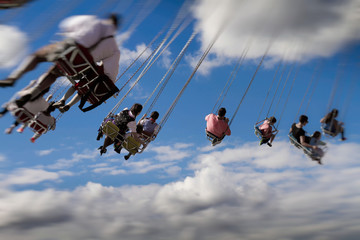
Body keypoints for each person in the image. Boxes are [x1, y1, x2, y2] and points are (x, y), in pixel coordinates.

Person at [1, 14, 121, 112]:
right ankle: (35, 92)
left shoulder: (92, 20)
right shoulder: (114, 47)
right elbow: (110, 69)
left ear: (107, 19)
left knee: (38, 56)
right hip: (80, 67)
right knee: (57, 73)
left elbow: (66, 25)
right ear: (116, 28)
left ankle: (16, 76)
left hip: (69, 51)